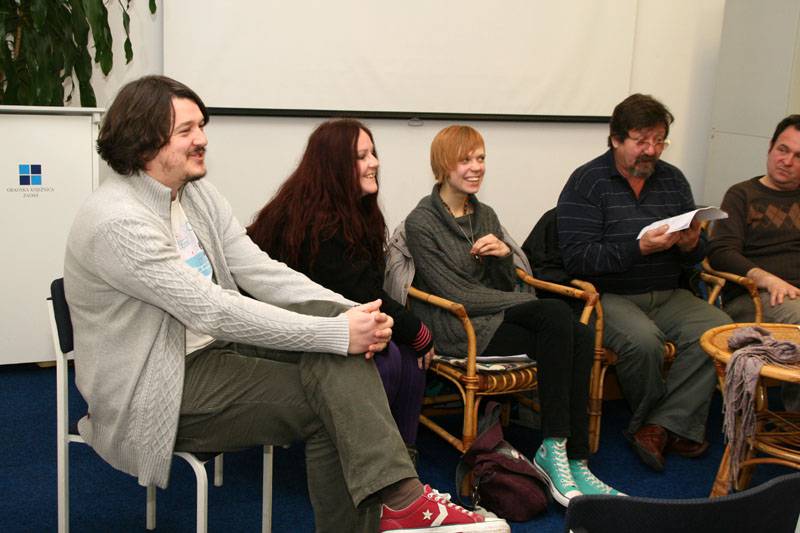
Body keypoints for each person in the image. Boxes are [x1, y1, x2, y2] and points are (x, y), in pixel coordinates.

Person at [63, 76, 508, 533]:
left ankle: (400, 502)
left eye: (202, 126)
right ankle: (399, 501)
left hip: (212, 349)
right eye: (186, 130)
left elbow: (258, 269)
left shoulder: (194, 194)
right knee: (333, 402)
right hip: (157, 383)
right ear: (144, 142)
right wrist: (337, 333)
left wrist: (350, 313)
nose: (202, 139)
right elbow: (213, 310)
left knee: (337, 346)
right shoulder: (118, 221)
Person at [404, 125, 621, 506]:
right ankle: (554, 450)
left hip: (492, 319)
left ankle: (573, 457)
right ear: (443, 165)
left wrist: (503, 257)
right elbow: (455, 294)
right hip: (459, 328)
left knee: (581, 335)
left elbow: (504, 282)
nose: (477, 167)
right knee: (554, 313)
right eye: (466, 160)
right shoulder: (422, 221)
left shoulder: (485, 214)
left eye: (481, 158)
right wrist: (517, 302)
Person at [557, 93, 732, 472]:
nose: (651, 150)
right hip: (609, 295)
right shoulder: (587, 182)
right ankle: (668, 424)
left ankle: (656, 428)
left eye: (659, 141)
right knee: (643, 343)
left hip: (669, 293)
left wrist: (691, 244)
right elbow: (577, 258)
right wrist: (638, 248)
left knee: (718, 331)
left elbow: (694, 255)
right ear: (616, 140)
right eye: (641, 141)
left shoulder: (673, 180)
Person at [246, 118, 432, 460]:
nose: (374, 163)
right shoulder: (316, 224)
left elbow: (363, 293)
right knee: (389, 358)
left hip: (339, 319)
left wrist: (412, 334)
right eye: (362, 156)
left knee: (409, 357)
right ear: (335, 167)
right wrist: (419, 332)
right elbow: (362, 295)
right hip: (292, 332)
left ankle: (402, 463)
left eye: (372, 153)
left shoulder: (353, 211)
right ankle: (366, 463)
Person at [708, 114, 800, 411]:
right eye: (783, 150)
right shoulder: (742, 195)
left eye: (798, 156)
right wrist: (767, 279)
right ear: (770, 147)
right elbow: (721, 251)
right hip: (753, 297)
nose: (787, 161)